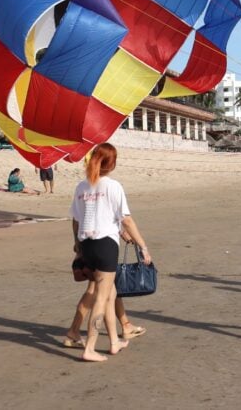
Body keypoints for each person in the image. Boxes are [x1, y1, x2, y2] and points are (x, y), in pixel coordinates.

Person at [70, 143, 151, 362]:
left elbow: (76, 221)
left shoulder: (81, 187)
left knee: (110, 293)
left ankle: (115, 341)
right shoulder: (113, 186)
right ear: (111, 163)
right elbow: (126, 219)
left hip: (87, 244)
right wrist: (142, 245)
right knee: (101, 297)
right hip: (105, 244)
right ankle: (90, 348)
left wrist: (77, 247)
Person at [64, 230, 146, 348]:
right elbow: (107, 217)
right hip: (102, 245)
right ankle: (74, 333)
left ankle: (125, 325)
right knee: (95, 290)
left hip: (89, 243)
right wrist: (123, 231)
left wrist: (77, 243)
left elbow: (76, 220)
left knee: (108, 288)